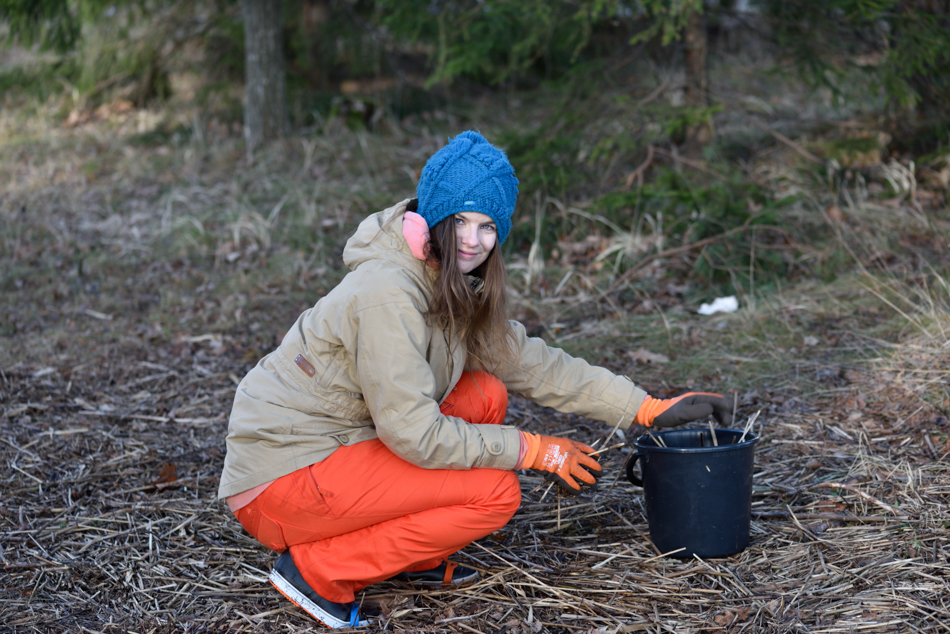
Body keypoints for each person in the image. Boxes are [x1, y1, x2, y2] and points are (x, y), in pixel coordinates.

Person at [218, 131, 732, 628]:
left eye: (488, 227)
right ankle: (318, 573)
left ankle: (407, 556)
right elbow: (413, 434)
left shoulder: (446, 278)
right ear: (435, 216)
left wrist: (645, 409)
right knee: (494, 493)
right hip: (281, 479)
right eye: (461, 220)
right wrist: (534, 450)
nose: (473, 239)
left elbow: (533, 362)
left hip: (339, 448)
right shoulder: (388, 292)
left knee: (485, 394)